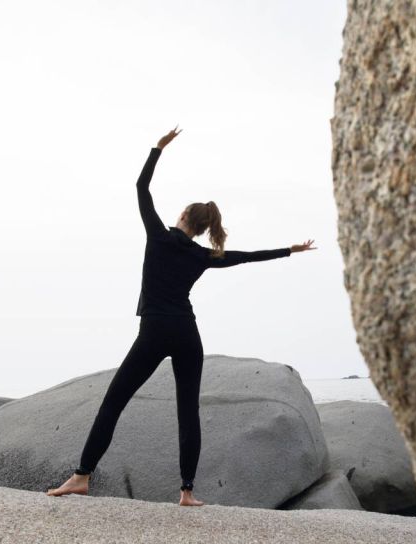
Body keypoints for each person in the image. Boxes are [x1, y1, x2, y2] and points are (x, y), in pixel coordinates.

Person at [46, 125, 316, 506]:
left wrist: (157, 149)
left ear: (184, 215)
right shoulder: (203, 255)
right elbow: (246, 257)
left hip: (154, 330)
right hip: (187, 334)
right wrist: (290, 250)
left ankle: (81, 476)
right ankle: (187, 492)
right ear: (204, 227)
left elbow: (142, 189)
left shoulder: (159, 236)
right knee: (188, 413)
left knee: (114, 402)